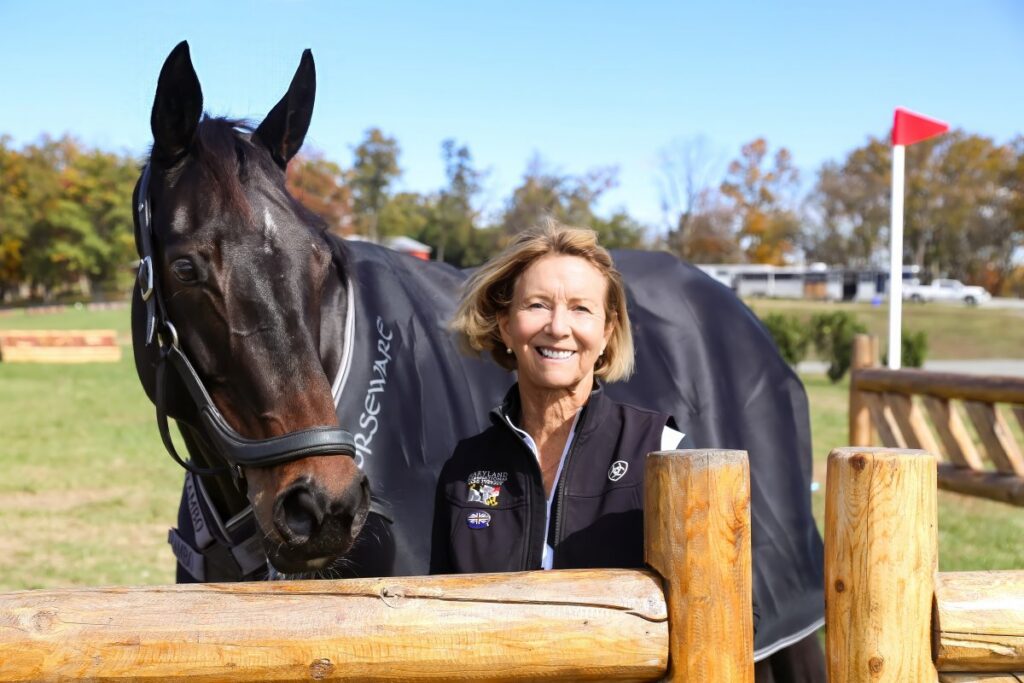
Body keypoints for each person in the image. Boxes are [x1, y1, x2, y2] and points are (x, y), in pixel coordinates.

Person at [430, 220, 684, 574]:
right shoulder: (465, 467)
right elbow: (439, 613)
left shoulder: (659, 450)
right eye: (537, 305)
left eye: (581, 308)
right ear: (505, 325)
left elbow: (720, 605)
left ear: (607, 331)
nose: (558, 327)